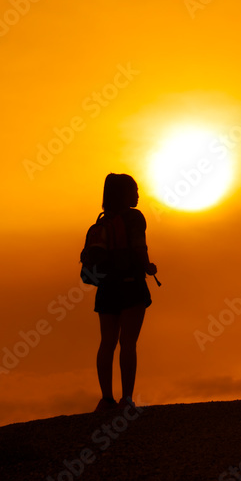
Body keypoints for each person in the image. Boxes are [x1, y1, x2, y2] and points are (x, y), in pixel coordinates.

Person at [81, 173, 156, 412]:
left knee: (107, 343)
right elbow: (139, 246)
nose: (137, 194)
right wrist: (148, 266)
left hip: (106, 288)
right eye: (134, 190)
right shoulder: (134, 218)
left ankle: (106, 400)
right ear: (124, 193)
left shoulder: (103, 222)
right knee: (128, 343)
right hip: (131, 285)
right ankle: (126, 399)